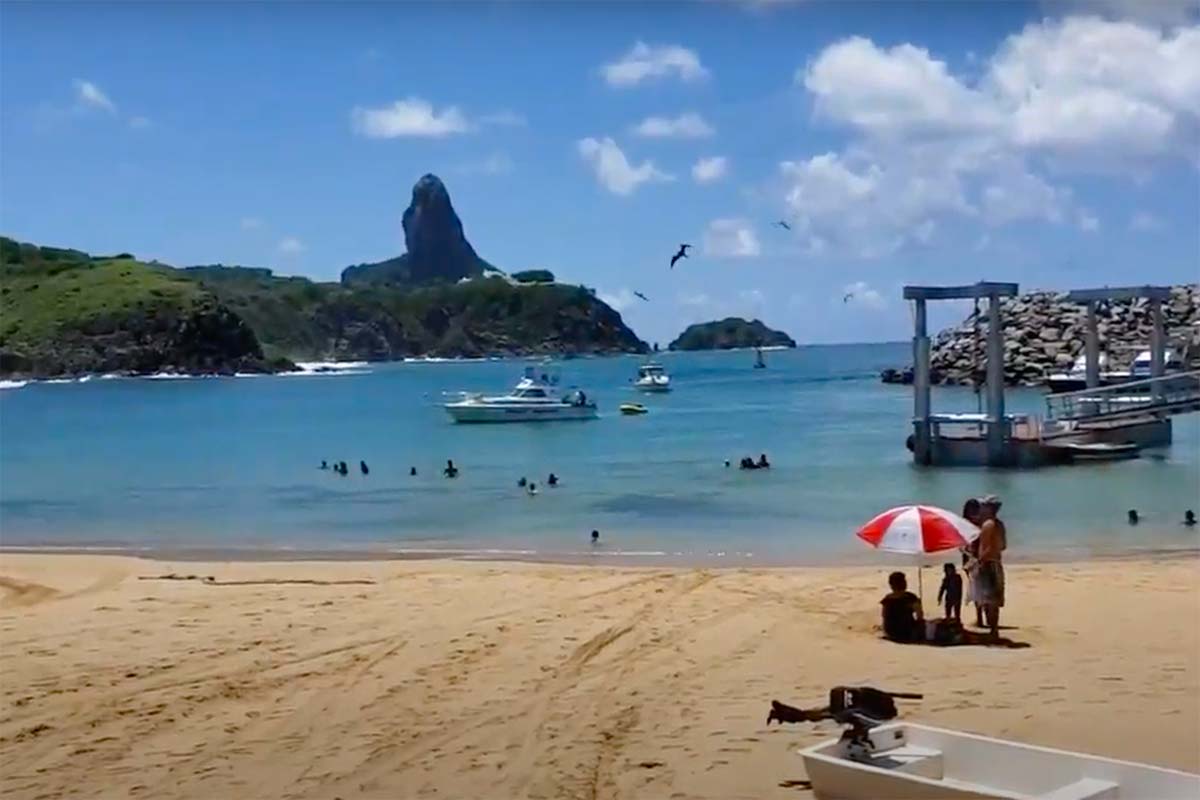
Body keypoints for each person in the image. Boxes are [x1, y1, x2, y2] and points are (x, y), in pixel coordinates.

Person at [976, 495, 1007, 640]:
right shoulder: (999, 524)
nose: (981, 508)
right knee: (994, 598)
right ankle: (993, 629)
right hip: (997, 562)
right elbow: (1003, 546)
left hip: (988, 563)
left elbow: (986, 548)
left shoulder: (988, 524)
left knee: (988, 598)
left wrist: (978, 561)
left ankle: (993, 631)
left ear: (989, 508)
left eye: (983, 506)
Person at [880, 571, 923, 643]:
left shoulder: (887, 598)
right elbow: (920, 615)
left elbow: (884, 615)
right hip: (906, 632)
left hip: (890, 632)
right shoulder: (910, 597)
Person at [960, 497, 984, 627]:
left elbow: (970, 545)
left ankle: (980, 618)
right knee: (978, 589)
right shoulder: (979, 524)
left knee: (976, 589)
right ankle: (980, 617)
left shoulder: (969, 525)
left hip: (973, 559)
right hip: (972, 558)